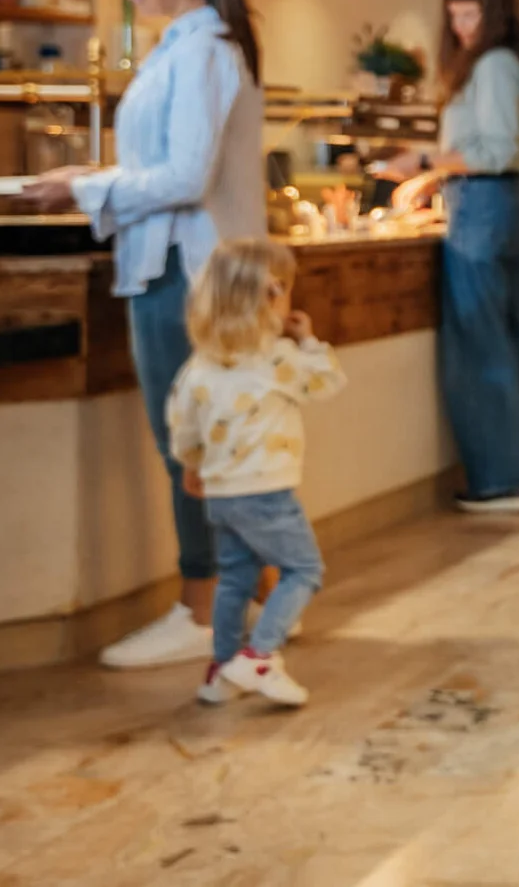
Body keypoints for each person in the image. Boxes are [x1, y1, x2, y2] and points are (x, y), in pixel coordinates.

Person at [25, 0, 265, 670]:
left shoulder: (202, 52)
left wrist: (88, 186)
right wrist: (93, 180)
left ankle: (203, 611)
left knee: (188, 448)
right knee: (204, 447)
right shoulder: (183, 48)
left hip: (185, 273)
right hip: (175, 266)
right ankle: (246, 595)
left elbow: (186, 177)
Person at [374, 0, 519, 513]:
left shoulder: (495, 64)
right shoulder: (505, 62)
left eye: (470, 14)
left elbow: (493, 149)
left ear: (494, 13)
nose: (461, 28)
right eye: (454, 16)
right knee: (510, 340)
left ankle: (502, 480)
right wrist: (435, 175)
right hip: (504, 204)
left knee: (480, 345)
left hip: (485, 208)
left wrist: (424, 160)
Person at [171, 238, 345, 708]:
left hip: (222, 494)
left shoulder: (199, 365)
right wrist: (307, 339)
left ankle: (222, 670)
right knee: (304, 569)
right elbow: (327, 380)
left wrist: (192, 465)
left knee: (234, 578)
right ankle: (259, 655)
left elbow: (182, 423)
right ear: (270, 296)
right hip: (267, 492)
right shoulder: (276, 360)